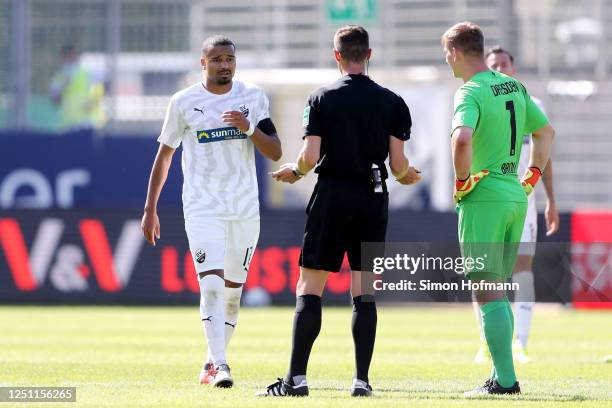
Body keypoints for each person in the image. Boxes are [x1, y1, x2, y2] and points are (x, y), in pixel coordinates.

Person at [257, 25, 421, 398]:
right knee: (364, 292)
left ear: (337, 56)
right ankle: (361, 381)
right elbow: (398, 164)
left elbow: (310, 157)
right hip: (372, 196)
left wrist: (295, 171)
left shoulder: (321, 98)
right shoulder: (392, 101)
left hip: (332, 195)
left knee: (310, 286)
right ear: (369, 55)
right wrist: (407, 175)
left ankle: (295, 380)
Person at [140, 35, 282, 388]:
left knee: (233, 295)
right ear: (203, 63)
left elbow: (276, 151)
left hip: (244, 207)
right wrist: (150, 209)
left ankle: (209, 362)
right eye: (216, 58)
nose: (224, 64)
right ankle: (221, 365)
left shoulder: (252, 96)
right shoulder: (184, 102)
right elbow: (165, 155)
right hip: (203, 207)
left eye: (229, 58)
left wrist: (248, 128)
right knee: (213, 288)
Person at [441, 22, 554, 395]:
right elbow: (546, 133)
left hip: (484, 197)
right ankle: (501, 374)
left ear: (456, 52)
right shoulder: (516, 87)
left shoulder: (469, 92)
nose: (447, 60)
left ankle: (505, 381)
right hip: (515, 195)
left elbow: (461, 141)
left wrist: (461, 183)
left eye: (447, 53)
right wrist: (532, 175)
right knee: (498, 289)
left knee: (486, 290)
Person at [472, 46, 560, 365]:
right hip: (487, 201)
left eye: (503, 64)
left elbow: (544, 154)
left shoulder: (530, 104)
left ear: (514, 68)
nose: (498, 68)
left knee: (522, 270)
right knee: (485, 271)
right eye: (492, 64)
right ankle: (486, 342)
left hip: (523, 200)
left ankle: (520, 342)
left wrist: (550, 199)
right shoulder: (479, 99)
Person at [49, 43, 105, 131]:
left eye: (73, 56)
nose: (71, 60)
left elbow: (100, 87)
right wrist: (63, 87)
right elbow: (55, 101)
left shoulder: (87, 72)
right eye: (68, 57)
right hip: (67, 123)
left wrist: (93, 101)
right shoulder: (59, 77)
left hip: (86, 122)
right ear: (63, 58)